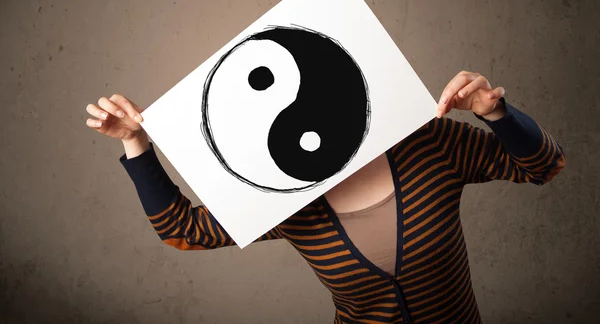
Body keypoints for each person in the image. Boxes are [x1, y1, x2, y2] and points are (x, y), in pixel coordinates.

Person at [85, 70, 565, 324]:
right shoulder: (279, 197)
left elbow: (544, 165)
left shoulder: (428, 142)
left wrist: (496, 112)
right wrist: (135, 139)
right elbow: (180, 230)